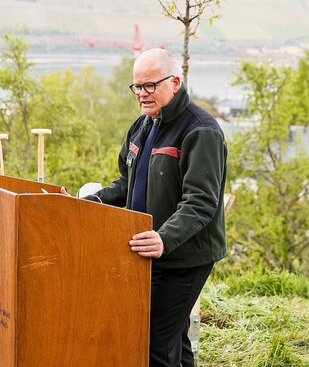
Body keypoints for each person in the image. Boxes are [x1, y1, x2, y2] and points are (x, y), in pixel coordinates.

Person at [81, 48, 228, 367]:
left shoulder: (200, 130)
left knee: (153, 342)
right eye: (137, 86)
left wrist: (163, 238)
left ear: (175, 82)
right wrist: (88, 205)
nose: (142, 94)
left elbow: (201, 202)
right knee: (173, 336)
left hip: (184, 257)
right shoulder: (142, 126)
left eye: (150, 85)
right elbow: (126, 183)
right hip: (148, 251)